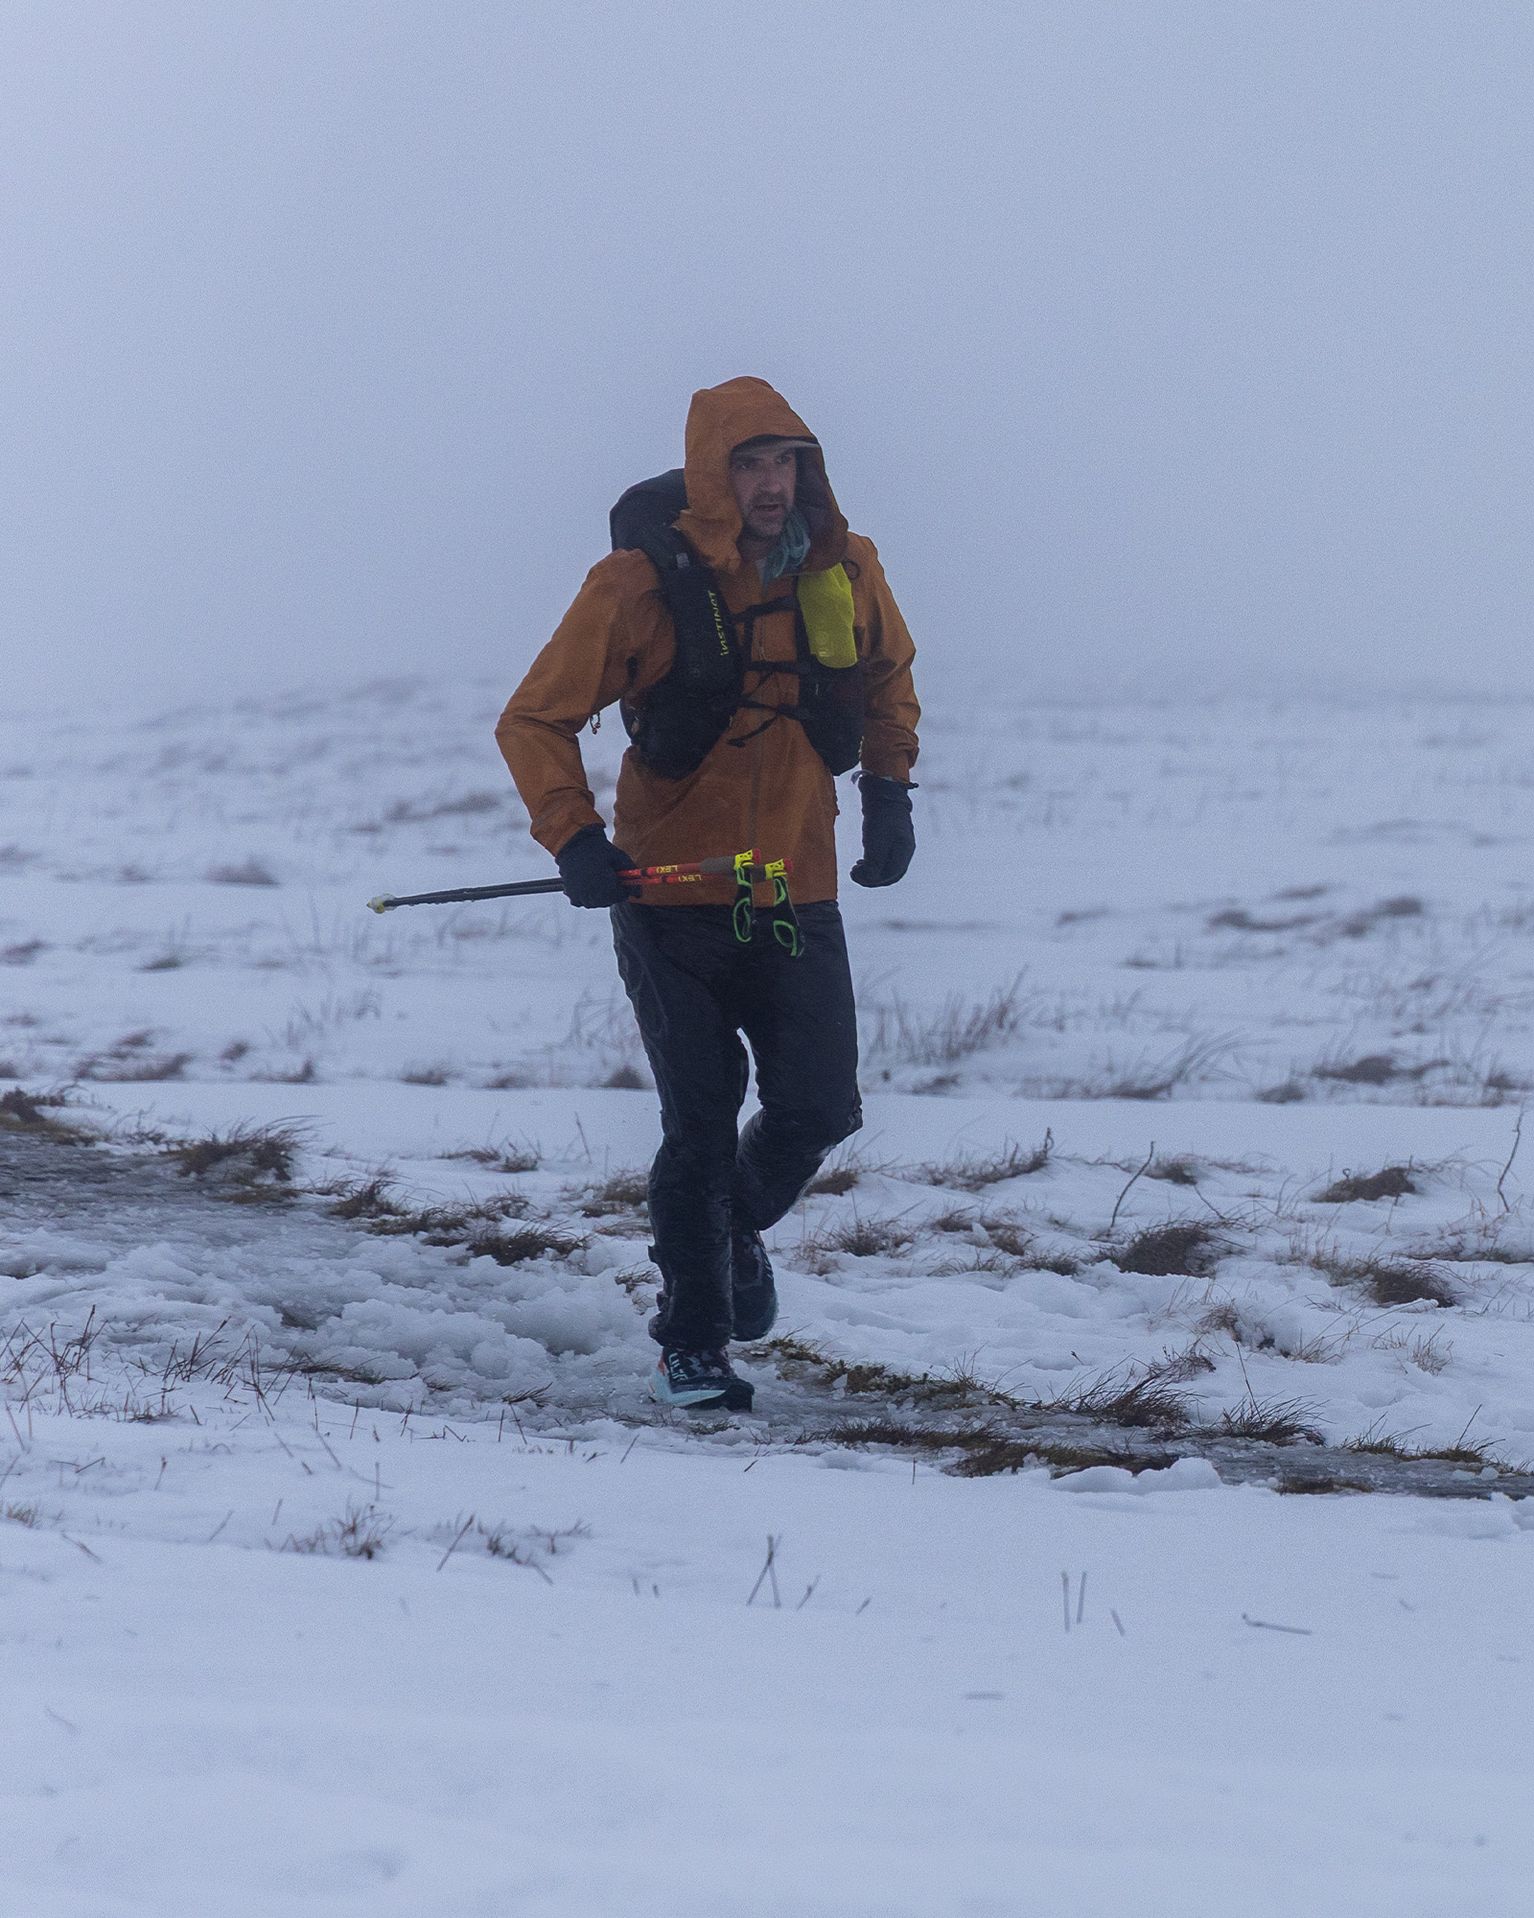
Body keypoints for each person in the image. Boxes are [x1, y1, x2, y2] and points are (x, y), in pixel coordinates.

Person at [496, 376, 920, 1411]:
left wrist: (889, 795)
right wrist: (575, 838)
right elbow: (533, 719)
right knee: (700, 1119)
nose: (771, 483)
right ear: (709, 472)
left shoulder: (846, 568)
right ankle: (693, 1339)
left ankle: (725, 1229)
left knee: (821, 1106)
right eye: (748, 462)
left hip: (796, 887)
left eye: (786, 462)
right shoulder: (638, 582)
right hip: (666, 892)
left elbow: (888, 680)